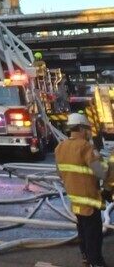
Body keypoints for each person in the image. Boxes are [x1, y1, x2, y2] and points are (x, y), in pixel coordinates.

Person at [56, 112, 112, 267]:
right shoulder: (86, 147)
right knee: (93, 234)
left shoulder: (60, 147)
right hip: (89, 200)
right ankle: (97, 262)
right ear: (81, 128)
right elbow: (102, 172)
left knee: (82, 231)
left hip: (75, 199)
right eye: (87, 129)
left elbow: (60, 173)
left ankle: (86, 257)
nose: (89, 133)